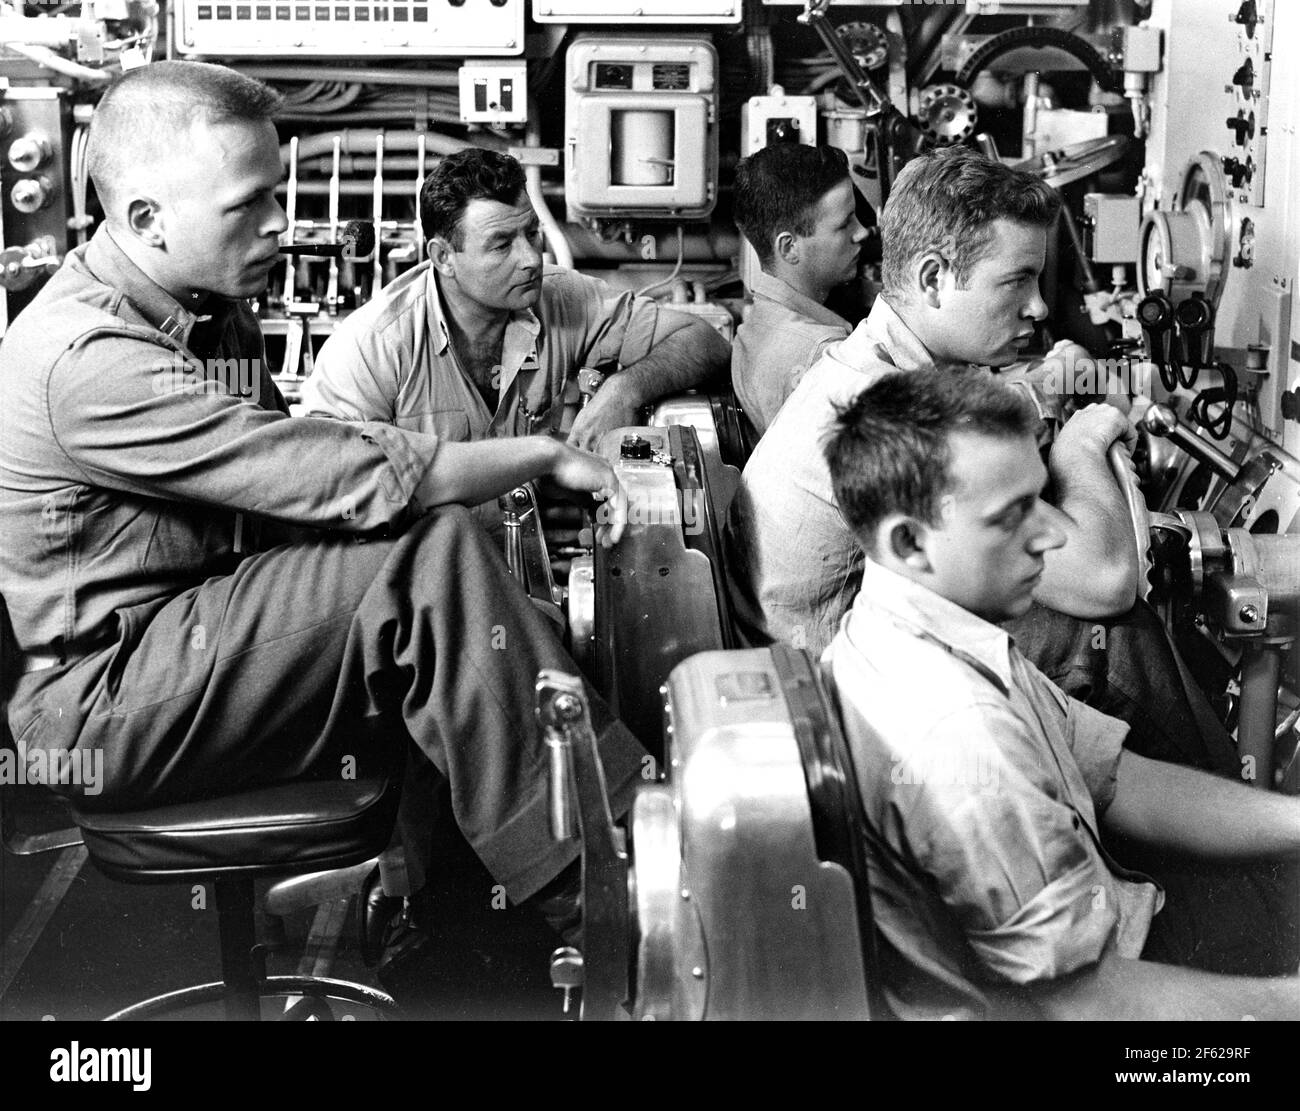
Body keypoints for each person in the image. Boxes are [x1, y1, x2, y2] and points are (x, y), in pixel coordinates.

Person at [0, 61, 648, 946]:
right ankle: (621, 895)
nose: (278, 224)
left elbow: (295, 509)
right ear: (147, 219)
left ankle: (484, 886)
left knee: (444, 565)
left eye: (277, 194)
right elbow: (327, 476)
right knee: (428, 557)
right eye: (248, 205)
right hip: (104, 704)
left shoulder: (201, 308)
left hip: (192, 640)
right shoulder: (90, 357)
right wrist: (545, 453)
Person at [725, 145, 1237, 776]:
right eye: (1016, 281)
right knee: (1111, 633)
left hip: (814, 668)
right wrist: (1083, 438)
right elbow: (1105, 582)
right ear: (935, 278)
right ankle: (1237, 852)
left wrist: (1047, 389)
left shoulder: (865, 361)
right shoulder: (888, 413)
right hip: (847, 713)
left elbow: (980, 403)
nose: (1039, 308)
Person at [824, 369, 1300, 1021]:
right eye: (1013, 514)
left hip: (1107, 938)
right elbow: (1084, 1004)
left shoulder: (923, 628)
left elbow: (1116, 779)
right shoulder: (962, 733)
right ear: (910, 540)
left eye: (1040, 496)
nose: (1051, 533)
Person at [301, 147, 730, 457]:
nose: (530, 259)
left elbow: (705, 342)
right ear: (443, 258)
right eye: (501, 244)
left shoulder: (562, 297)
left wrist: (625, 389)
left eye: (531, 233)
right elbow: (335, 484)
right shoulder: (372, 347)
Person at [731, 143, 864, 435]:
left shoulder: (752, 329)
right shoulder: (821, 355)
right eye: (845, 224)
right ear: (789, 247)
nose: (862, 232)